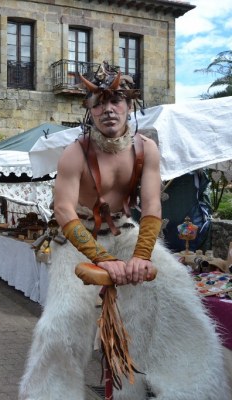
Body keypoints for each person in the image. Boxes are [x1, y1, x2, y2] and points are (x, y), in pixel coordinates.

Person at [19, 62, 230, 399]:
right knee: (62, 323)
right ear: (89, 108)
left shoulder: (146, 149)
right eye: (99, 102)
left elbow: (152, 207)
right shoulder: (75, 152)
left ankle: (192, 389)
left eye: (116, 99)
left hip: (126, 232)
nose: (108, 109)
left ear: (130, 105)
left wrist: (143, 256)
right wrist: (102, 259)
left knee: (176, 293)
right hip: (79, 239)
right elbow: (63, 210)